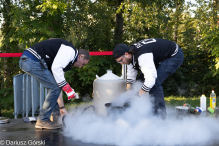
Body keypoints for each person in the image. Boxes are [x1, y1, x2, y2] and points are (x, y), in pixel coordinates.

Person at [19, 38, 90, 129]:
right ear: (81, 56)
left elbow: (58, 85)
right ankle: (43, 120)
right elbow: (56, 69)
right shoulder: (70, 51)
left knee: (55, 88)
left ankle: (56, 117)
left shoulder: (65, 60)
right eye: (83, 64)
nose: (80, 67)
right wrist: (67, 89)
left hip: (29, 60)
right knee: (55, 88)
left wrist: (62, 109)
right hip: (32, 60)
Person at [113, 38, 184, 119]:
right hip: (159, 57)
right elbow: (131, 76)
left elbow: (150, 80)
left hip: (174, 56)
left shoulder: (142, 56)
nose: (121, 63)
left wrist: (137, 96)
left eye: (120, 61)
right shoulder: (130, 55)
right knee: (139, 82)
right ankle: (145, 111)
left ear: (126, 54)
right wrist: (128, 93)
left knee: (154, 85)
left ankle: (160, 119)